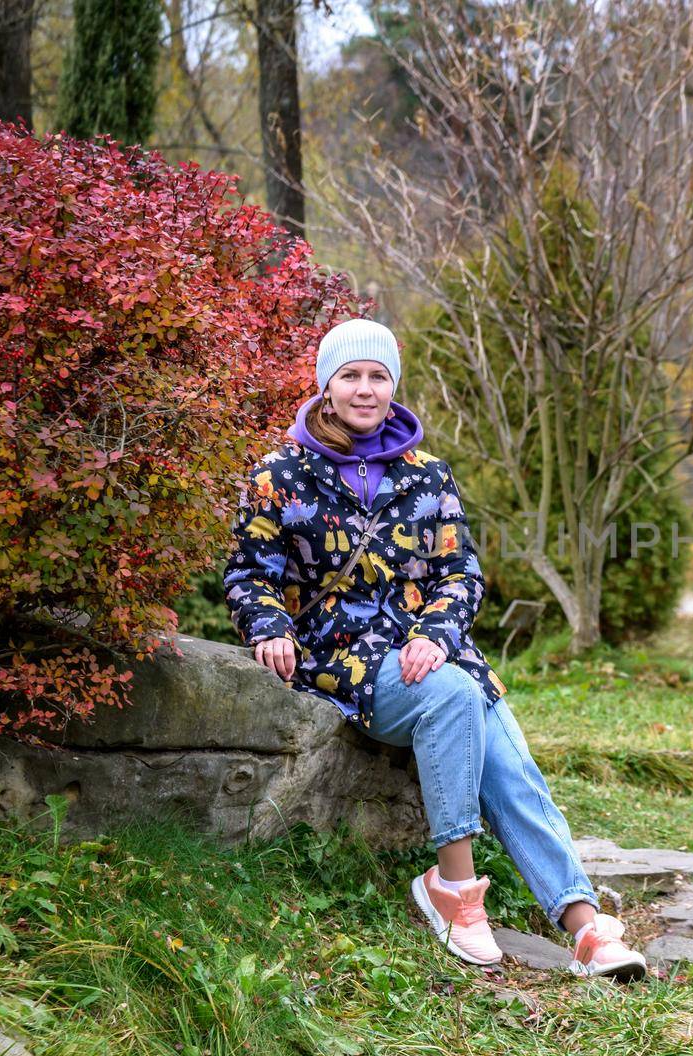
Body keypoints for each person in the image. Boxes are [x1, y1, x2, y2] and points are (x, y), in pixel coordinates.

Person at [224, 318, 647, 980]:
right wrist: (269, 625)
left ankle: (584, 926)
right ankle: (453, 891)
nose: (365, 390)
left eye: (378, 376)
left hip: (431, 651)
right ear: (325, 386)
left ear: (393, 386)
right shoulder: (278, 474)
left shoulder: (428, 475)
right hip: (342, 660)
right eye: (351, 376)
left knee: (509, 765)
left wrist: (434, 634)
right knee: (451, 693)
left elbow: (461, 574)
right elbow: (249, 573)